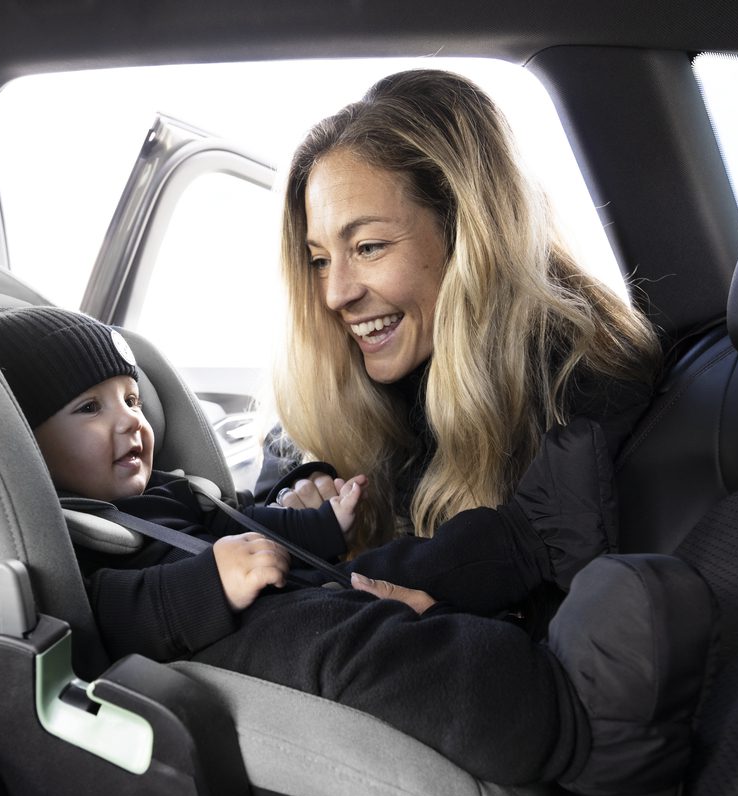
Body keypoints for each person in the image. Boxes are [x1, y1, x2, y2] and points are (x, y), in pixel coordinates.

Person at [0, 304, 713, 796]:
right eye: (89, 409)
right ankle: (570, 720)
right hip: (224, 642)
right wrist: (208, 584)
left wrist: (322, 526)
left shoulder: (158, 492)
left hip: (270, 589)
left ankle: (532, 539)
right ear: (20, 444)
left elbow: (246, 525)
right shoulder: (66, 532)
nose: (128, 420)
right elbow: (105, 615)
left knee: (399, 565)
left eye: (131, 398)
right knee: (360, 639)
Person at [262, 69, 661, 603]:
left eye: (369, 247)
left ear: (467, 232)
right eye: (318, 259)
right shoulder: (363, 387)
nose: (335, 294)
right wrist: (301, 502)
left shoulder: (584, 394)